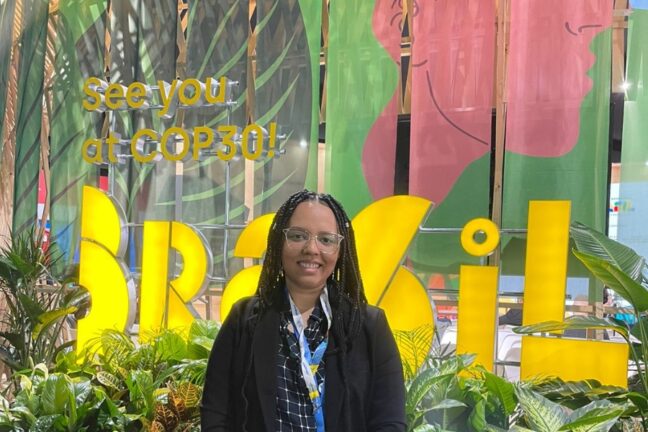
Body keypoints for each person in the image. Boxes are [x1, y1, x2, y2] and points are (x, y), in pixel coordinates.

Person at [201, 190, 406, 431]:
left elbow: (389, 421)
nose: (311, 248)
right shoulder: (244, 320)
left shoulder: (369, 326)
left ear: (341, 250)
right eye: (298, 236)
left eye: (326, 240)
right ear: (280, 242)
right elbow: (215, 414)